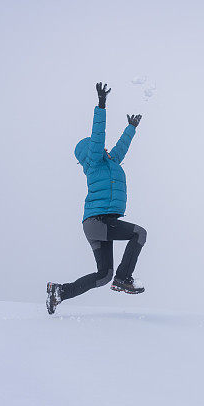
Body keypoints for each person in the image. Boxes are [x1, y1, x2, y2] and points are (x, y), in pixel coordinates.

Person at [46, 82, 147, 315]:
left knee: (103, 276)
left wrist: (130, 128)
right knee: (139, 233)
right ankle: (124, 278)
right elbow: (98, 135)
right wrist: (101, 105)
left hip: (97, 224)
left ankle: (59, 292)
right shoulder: (94, 163)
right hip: (99, 221)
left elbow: (120, 148)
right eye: (95, 147)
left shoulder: (110, 162)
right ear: (89, 151)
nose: (101, 148)